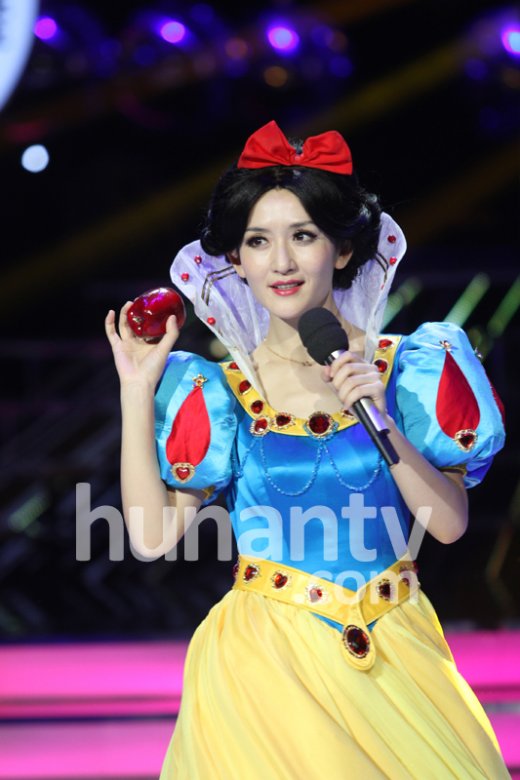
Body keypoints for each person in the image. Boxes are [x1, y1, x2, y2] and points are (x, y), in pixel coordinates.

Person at [105, 120, 509, 779]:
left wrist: (379, 416)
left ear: (342, 250)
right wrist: (134, 390)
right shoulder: (221, 392)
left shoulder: (409, 367)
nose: (281, 263)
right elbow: (151, 539)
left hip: (394, 650)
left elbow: (448, 524)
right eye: (258, 241)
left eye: (303, 236)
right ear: (236, 260)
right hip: (261, 667)